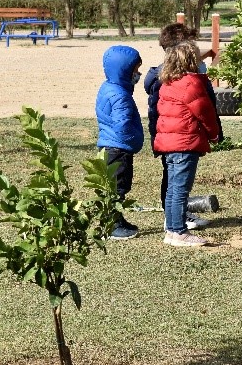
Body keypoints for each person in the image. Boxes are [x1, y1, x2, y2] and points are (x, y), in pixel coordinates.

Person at [144, 23, 222, 229]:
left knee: (173, 186)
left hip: (169, 138)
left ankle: (174, 222)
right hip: (182, 140)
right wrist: (214, 133)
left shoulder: (167, 79)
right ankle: (176, 227)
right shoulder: (188, 82)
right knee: (178, 188)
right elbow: (203, 110)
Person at [95, 45, 145, 240]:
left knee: (114, 186)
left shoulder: (108, 88)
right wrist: (132, 138)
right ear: (124, 71)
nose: (138, 74)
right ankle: (112, 224)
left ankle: (117, 218)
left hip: (109, 146)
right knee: (117, 188)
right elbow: (122, 124)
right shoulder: (121, 96)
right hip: (118, 149)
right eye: (135, 71)